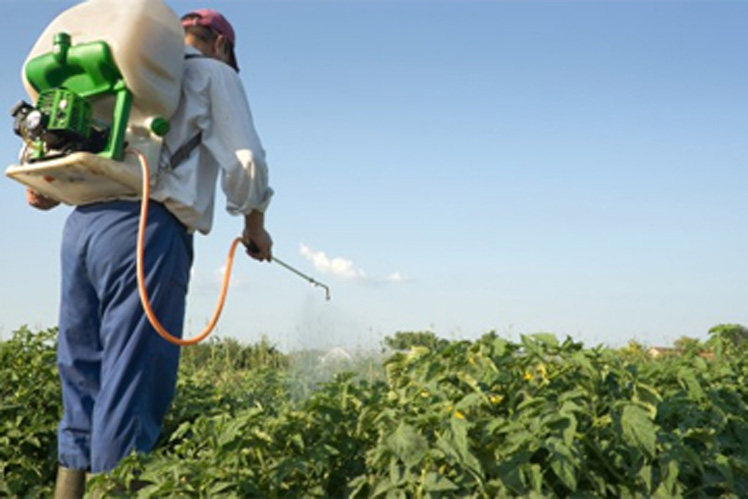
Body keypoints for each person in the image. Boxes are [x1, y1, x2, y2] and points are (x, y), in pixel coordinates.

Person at [25, 9, 273, 497]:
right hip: (145, 229)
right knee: (131, 382)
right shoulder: (210, 73)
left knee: (82, 374)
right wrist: (254, 224)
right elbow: (245, 160)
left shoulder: (120, 68)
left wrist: (46, 186)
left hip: (82, 229)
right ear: (222, 46)